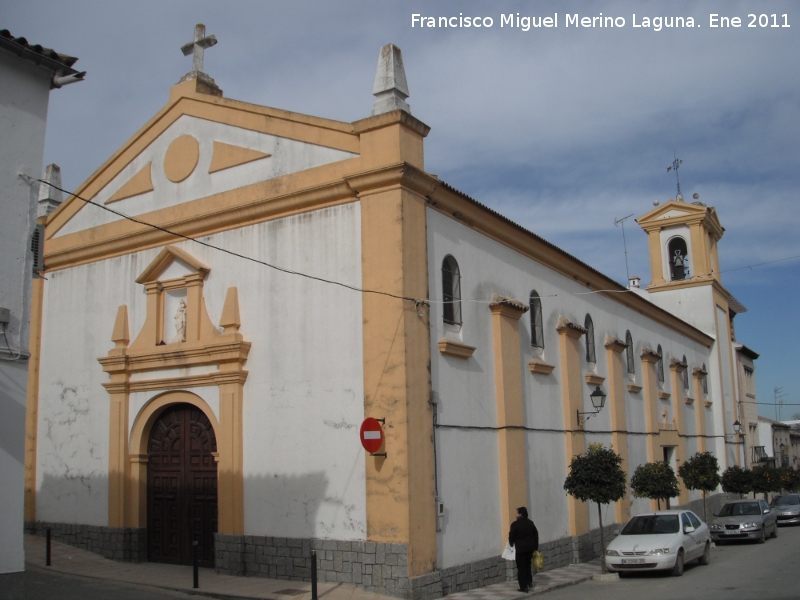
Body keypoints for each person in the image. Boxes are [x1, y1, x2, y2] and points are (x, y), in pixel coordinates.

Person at [508, 506, 538, 592]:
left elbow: (511, 536)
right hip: (530, 548)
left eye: (517, 512)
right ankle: (529, 582)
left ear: (520, 514)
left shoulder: (515, 525)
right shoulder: (530, 523)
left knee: (521, 567)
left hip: (520, 548)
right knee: (527, 565)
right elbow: (535, 535)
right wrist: (535, 547)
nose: (515, 514)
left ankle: (523, 586)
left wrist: (511, 544)